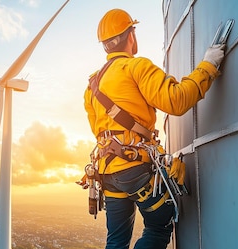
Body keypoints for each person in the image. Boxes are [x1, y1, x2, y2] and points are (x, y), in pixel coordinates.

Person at [83, 9, 225, 249]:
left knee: (116, 242)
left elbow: (97, 129)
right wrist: (208, 66)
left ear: (106, 45)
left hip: (107, 171)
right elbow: (176, 100)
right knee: (159, 227)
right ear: (131, 35)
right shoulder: (136, 67)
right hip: (134, 168)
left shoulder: (92, 84)